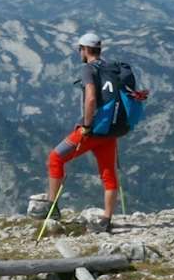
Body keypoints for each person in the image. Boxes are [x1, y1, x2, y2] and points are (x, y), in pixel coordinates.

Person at [30, 32, 148, 232]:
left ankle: (52, 207)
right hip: (111, 130)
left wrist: (86, 125)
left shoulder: (88, 69)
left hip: (93, 130)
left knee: (55, 158)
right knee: (108, 173)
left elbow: (91, 97)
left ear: (84, 50)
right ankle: (106, 219)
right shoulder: (112, 67)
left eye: (80, 49)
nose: (79, 53)